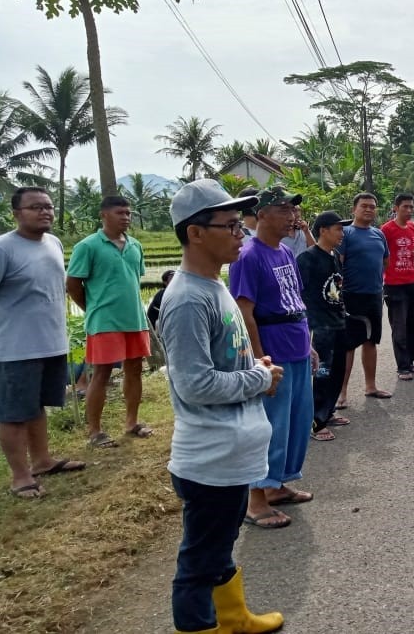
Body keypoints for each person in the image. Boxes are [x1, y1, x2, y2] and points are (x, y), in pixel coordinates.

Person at [157, 178, 286, 633]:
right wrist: (258, 377)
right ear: (195, 232)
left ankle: (232, 617)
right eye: (231, 226)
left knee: (220, 546)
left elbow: (222, 359)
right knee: (198, 563)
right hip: (208, 460)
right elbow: (194, 384)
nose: (241, 235)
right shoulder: (188, 299)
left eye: (240, 225)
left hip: (230, 454)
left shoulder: (214, 286)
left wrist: (253, 362)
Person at [229, 186, 315, 529]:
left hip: (297, 346)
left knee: (295, 422)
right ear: (261, 214)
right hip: (273, 353)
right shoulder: (249, 256)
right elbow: (244, 311)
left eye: (293, 209)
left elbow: (295, 302)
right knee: (269, 427)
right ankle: (254, 500)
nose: (291, 216)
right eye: (283, 209)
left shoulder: (285, 253)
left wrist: (309, 344)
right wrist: (259, 357)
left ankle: (277, 486)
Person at [1, 187, 86, 499]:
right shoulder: (4, 248)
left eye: (48, 206)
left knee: (37, 406)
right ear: (16, 213)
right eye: (35, 207)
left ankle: (42, 461)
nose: (45, 212)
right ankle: (20, 477)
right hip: (14, 347)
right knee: (13, 412)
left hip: (51, 342)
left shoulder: (53, 242)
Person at [66, 195, 152, 449]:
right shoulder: (88, 246)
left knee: (134, 370)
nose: (126, 217)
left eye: (128, 213)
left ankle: (132, 422)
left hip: (135, 319)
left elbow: (133, 281)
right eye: (120, 213)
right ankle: (95, 431)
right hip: (105, 322)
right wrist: (93, 309)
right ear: (104, 215)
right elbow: (73, 284)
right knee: (101, 374)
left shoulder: (135, 245)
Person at [298, 211, 354, 442]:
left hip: (338, 323)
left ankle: (327, 412)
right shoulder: (307, 259)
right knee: (322, 374)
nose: (342, 233)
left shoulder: (334, 256)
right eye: (338, 228)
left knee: (336, 373)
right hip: (320, 327)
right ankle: (316, 422)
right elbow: (297, 294)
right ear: (323, 230)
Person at [339, 192, 391, 404]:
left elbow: (385, 261)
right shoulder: (346, 233)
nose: (369, 209)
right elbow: (338, 264)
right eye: (364, 206)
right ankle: (341, 392)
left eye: (372, 206)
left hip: (374, 295)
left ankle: (371, 386)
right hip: (351, 296)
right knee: (348, 345)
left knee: (371, 341)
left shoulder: (379, 234)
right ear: (354, 209)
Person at [381, 194, 414, 382]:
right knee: (399, 327)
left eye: (411, 207)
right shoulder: (386, 229)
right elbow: (382, 256)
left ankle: (410, 361)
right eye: (405, 207)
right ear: (396, 208)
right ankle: (402, 366)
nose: (409, 210)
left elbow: (410, 254)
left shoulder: (412, 227)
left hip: (412, 282)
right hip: (393, 284)